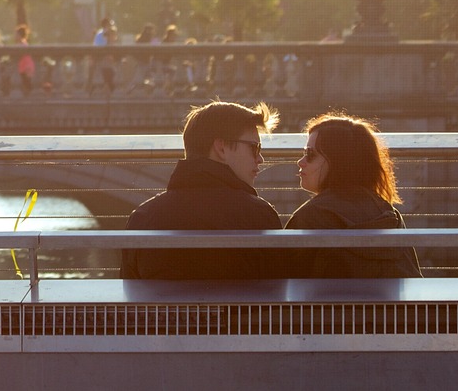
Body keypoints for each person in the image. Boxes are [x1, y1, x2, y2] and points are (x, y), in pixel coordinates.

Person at [122, 100, 283, 280]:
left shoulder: (143, 217)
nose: (260, 158)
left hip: (168, 309)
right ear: (221, 147)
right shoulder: (259, 215)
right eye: (254, 147)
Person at [285, 113, 422, 278]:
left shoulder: (310, 217)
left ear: (337, 161)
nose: (300, 162)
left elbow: (283, 282)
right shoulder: (388, 213)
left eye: (310, 154)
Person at [91, 18, 118, 95]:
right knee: (106, 78)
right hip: (103, 60)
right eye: (110, 24)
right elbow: (100, 47)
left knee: (106, 78)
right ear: (106, 25)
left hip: (106, 61)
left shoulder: (105, 33)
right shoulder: (101, 34)